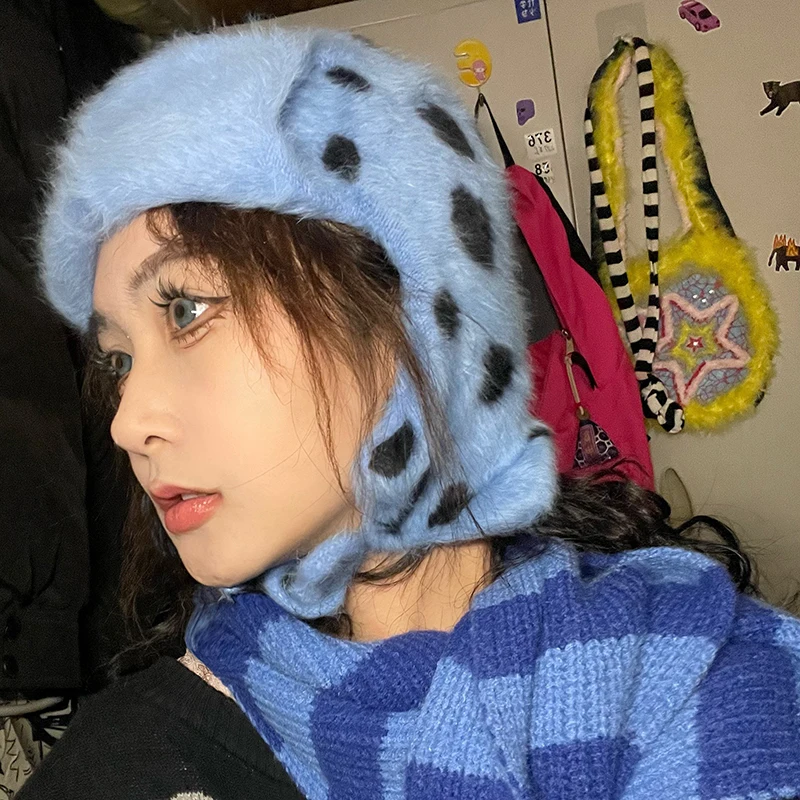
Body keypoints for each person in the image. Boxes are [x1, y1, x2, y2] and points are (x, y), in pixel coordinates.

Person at [19, 23, 800, 800]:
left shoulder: (713, 681)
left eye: (187, 310)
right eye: (118, 360)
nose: (125, 423)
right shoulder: (124, 764)